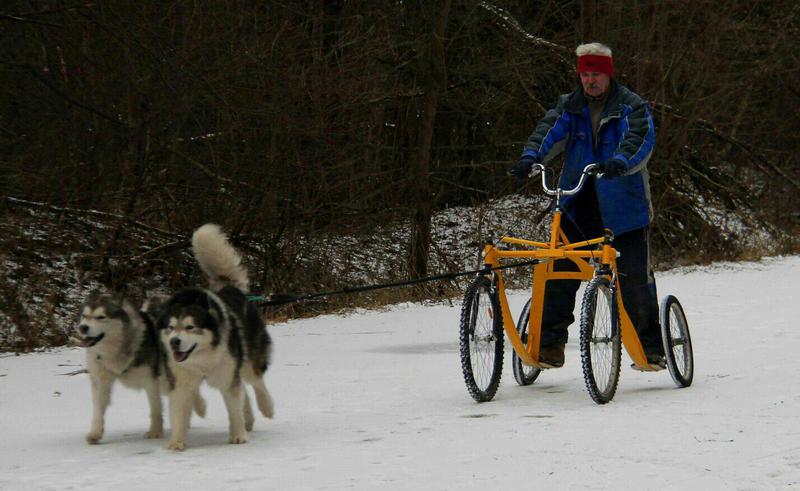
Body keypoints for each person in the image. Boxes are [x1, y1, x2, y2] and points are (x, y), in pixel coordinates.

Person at [508, 42, 664, 369]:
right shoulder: (570, 107)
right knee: (557, 270)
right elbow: (547, 133)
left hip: (624, 208)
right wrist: (529, 158)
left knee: (633, 278)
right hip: (578, 202)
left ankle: (650, 348)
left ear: (608, 75)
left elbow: (639, 140)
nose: (590, 81)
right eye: (585, 74)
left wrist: (620, 161)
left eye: (596, 74)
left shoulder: (631, 107)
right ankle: (549, 344)